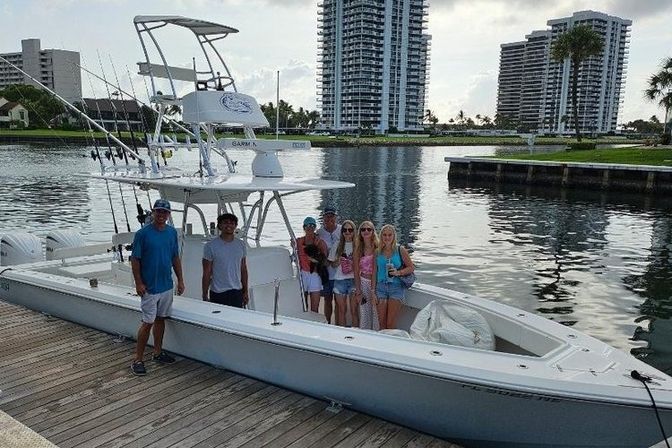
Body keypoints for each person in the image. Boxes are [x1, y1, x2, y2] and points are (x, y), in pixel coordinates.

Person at [130, 199, 185, 376]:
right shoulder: (142, 234)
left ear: (169, 215)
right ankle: (137, 359)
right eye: (158, 212)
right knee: (147, 323)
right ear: (153, 212)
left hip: (166, 285)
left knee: (161, 319)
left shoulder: (171, 233)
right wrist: (139, 282)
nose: (161, 215)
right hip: (149, 287)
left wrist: (180, 280)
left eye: (165, 212)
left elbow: (175, 257)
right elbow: (135, 259)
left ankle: (157, 352)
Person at [202, 213, 249, 308]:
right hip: (218, 292)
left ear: (235, 226)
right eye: (225, 223)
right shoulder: (210, 246)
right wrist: (204, 294)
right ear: (219, 226)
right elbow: (206, 272)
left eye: (232, 223)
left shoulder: (241, 245)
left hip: (237, 291)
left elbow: (243, 269)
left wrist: (245, 291)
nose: (229, 225)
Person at [374, 224, 415, 330]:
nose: (387, 237)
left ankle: (389, 345)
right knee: (381, 322)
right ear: (381, 236)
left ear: (393, 236)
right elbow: (374, 272)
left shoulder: (400, 250)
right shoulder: (377, 251)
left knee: (390, 323)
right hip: (380, 287)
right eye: (384, 235)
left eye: (389, 235)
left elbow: (411, 267)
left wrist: (398, 273)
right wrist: (372, 291)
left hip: (396, 288)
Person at [296, 216, 328, 314]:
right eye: (307, 225)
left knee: (315, 309)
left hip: (315, 274)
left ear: (315, 228)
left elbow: (325, 261)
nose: (310, 227)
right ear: (304, 227)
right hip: (302, 274)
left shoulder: (320, 243)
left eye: (312, 225)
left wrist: (315, 259)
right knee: (302, 305)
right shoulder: (298, 241)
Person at [328, 219, 357, 327]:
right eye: (345, 230)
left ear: (354, 231)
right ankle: (341, 336)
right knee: (342, 310)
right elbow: (332, 264)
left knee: (354, 310)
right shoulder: (337, 244)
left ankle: (356, 336)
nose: (347, 232)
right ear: (342, 232)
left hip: (354, 280)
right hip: (339, 281)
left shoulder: (358, 245)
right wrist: (338, 261)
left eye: (350, 230)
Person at [353, 220, 379, 330]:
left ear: (373, 232)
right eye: (363, 229)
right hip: (363, 282)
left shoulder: (378, 248)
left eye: (369, 229)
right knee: (364, 312)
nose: (366, 231)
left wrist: (373, 291)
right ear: (360, 232)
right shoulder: (358, 249)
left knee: (376, 312)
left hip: (376, 284)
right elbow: (356, 271)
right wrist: (358, 291)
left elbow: (376, 270)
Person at [317, 206, 341, 324]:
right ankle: (328, 323)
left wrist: (339, 260)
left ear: (336, 217)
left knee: (338, 300)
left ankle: (337, 324)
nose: (329, 218)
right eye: (327, 216)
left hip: (340, 274)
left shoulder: (343, 230)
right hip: (326, 273)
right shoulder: (319, 232)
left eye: (332, 216)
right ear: (323, 217)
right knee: (327, 299)